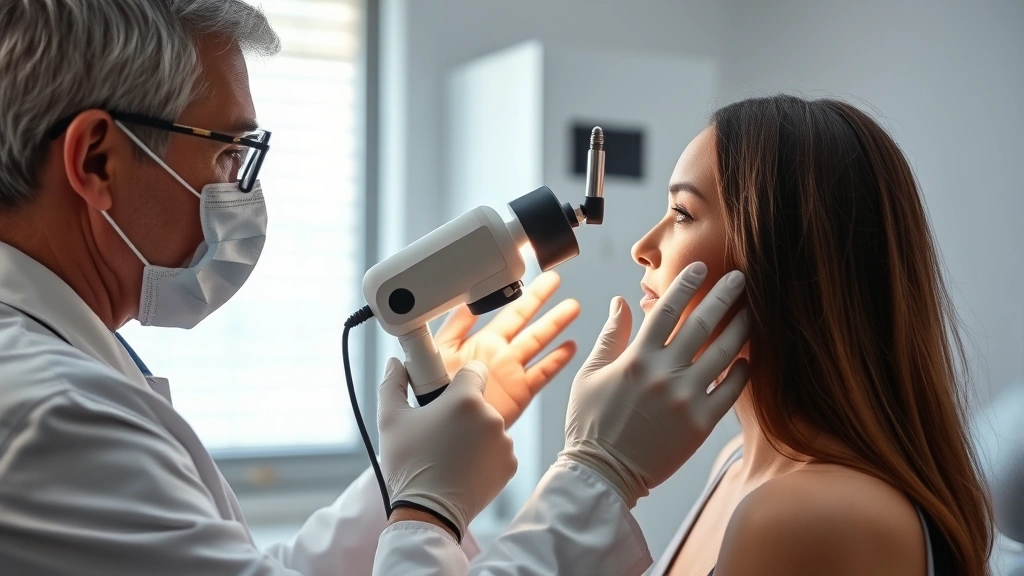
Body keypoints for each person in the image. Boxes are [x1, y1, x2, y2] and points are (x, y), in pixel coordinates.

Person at [0, 2, 750, 575]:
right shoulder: (51, 415)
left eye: (681, 212)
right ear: (97, 160)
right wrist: (588, 474)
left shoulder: (67, 371)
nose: (238, 187)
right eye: (228, 152)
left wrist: (408, 477)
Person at [631, 95, 994, 576]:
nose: (643, 248)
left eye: (682, 213)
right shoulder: (735, 463)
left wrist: (593, 472)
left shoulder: (801, 516)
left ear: (782, 256)